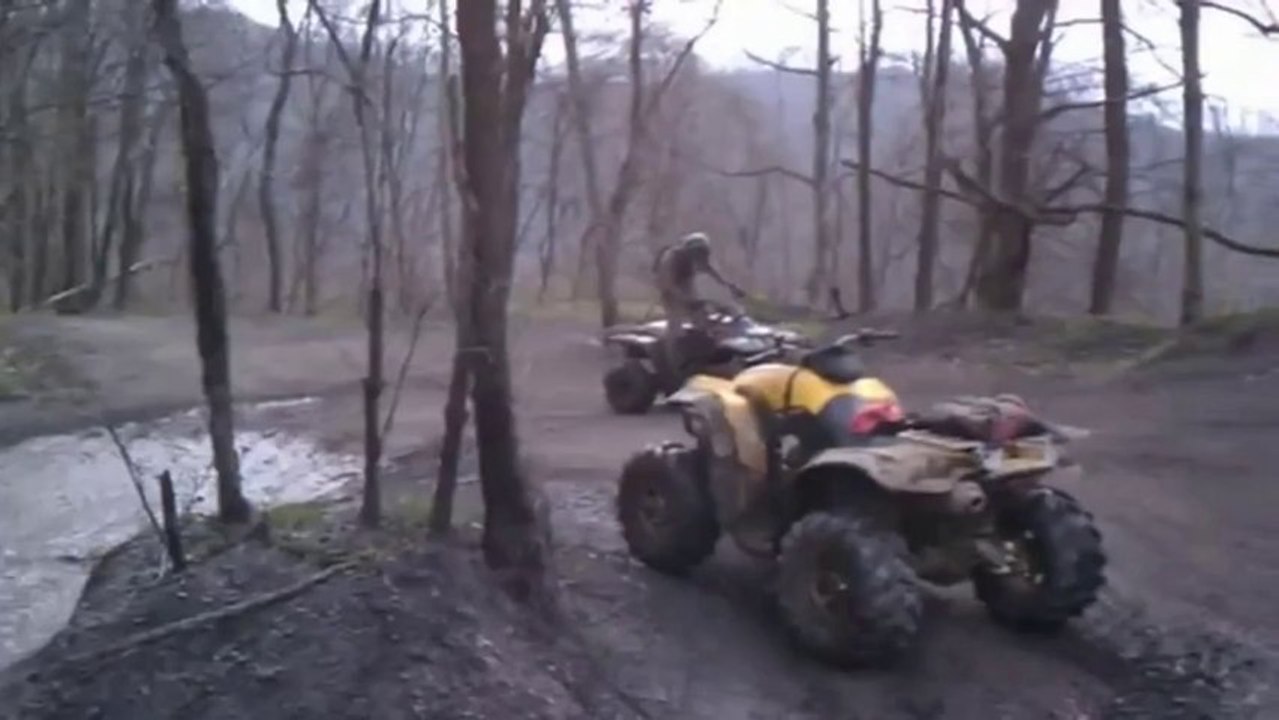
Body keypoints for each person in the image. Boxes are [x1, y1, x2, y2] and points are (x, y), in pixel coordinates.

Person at [653, 232, 746, 377]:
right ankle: (673, 365)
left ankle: (701, 357)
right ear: (691, 251)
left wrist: (731, 287)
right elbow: (668, 285)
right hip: (669, 288)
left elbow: (711, 271)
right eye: (698, 254)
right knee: (675, 326)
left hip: (684, 282)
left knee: (703, 319)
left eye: (702, 254)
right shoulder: (671, 258)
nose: (700, 258)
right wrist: (685, 300)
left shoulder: (697, 256)